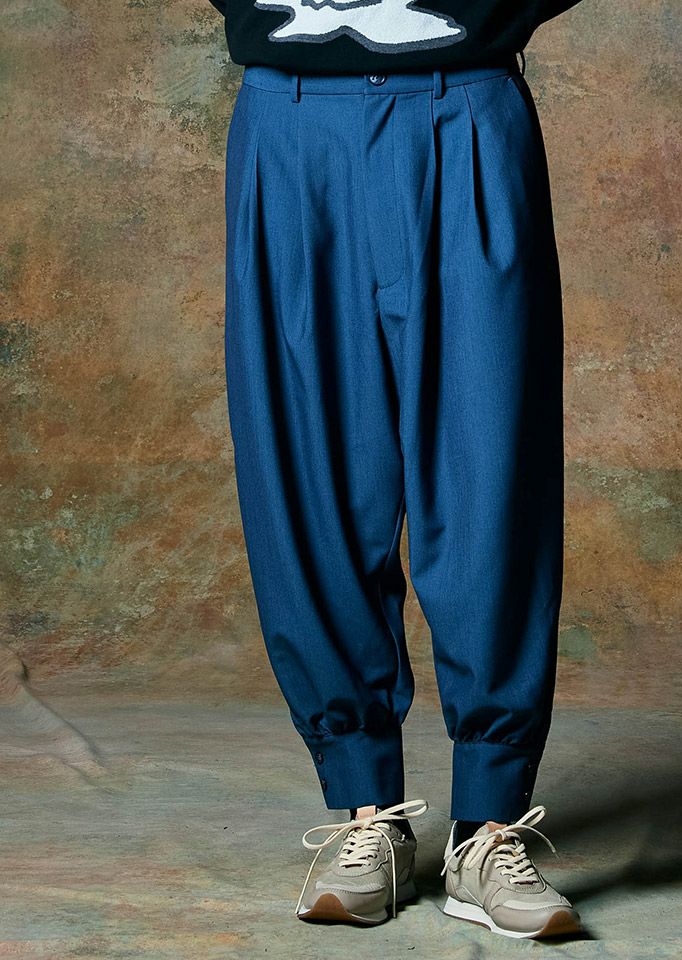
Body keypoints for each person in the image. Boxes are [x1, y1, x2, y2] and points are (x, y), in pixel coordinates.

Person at [207, 0, 585, 940]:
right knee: (312, 472)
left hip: (468, 110)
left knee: (491, 471)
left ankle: (487, 825)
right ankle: (364, 810)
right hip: (293, 127)